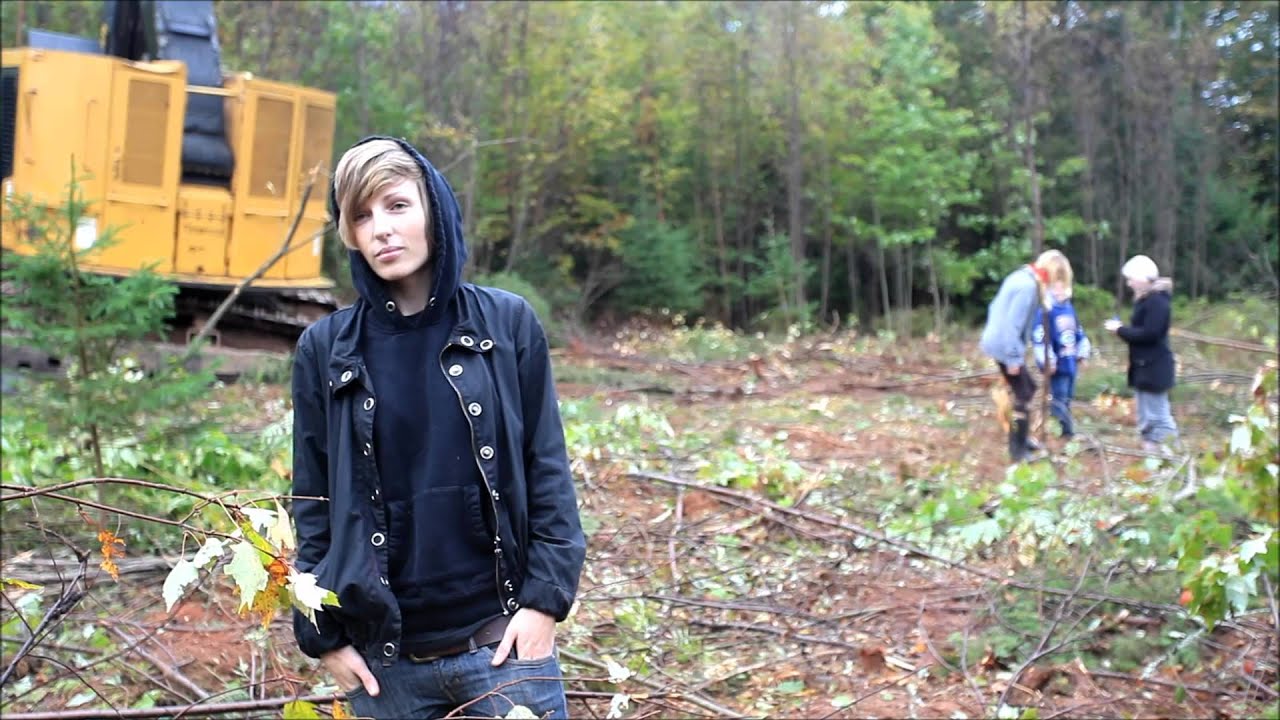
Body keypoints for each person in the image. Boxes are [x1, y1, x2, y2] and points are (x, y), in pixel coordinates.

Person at [289, 136, 586, 719]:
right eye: (361, 216)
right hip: (386, 668)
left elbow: (546, 468)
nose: (381, 229)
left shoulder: (506, 323)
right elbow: (314, 500)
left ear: (436, 210)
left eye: (397, 205)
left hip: (502, 648)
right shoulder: (324, 349)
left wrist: (543, 604)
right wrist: (324, 637)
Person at [980, 249, 1073, 462]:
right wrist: (1013, 358)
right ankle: (1018, 450)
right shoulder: (1028, 286)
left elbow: (994, 307)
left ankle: (1022, 439)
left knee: (1027, 388)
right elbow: (1012, 325)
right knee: (1024, 392)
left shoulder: (1021, 276)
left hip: (999, 341)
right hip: (1003, 344)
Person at [1104, 254, 1178, 452]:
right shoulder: (1146, 301)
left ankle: (1174, 456)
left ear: (1143, 278)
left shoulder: (1157, 302)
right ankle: (1152, 457)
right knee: (1146, 419)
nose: (1129, 283)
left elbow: (1150, 334)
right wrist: (1122, 330)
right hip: (1143, 368)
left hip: (1155, 368)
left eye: (1131, 279)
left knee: (1159, 418)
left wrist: (1120, 330)